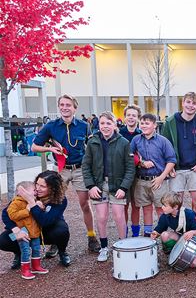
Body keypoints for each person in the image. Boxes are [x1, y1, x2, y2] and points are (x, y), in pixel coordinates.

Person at [31, 94, 97, 255]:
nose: (65, 107)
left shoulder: (83, 125)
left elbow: (92, 146)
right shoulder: (50, 126)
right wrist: (50, 149)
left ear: (75, 108)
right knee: (54, 203)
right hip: (60, 169)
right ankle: (55, 240)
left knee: (84, 203)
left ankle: (91, 237)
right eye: (62, 104)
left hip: (80, 169)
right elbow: (34, 147)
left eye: (68, 105)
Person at [82, 111, 135, 262]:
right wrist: (90, 185)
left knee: (119, 216)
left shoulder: (123, 142)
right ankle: (104, 247)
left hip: (117, 184)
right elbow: (86, 166)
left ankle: (123, 245)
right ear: (99, 125)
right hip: (99, 184)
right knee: (102, 216)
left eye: (108, 123)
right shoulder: (92, 142)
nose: (105, 126)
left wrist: (124, 187)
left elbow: (130, 168)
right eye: (102, 123)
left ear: (115, 125)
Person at [0, 170, 71, 268]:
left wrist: (32, 204)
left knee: (61, 231)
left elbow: (45, 221)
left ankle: (62, 251)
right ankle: (19, 252)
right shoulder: (30, 192)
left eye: (43, 186)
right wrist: (15, 229)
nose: (37, 189)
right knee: (4, 240)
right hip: (27, 230)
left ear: (53, 188)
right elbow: (6, 213)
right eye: (37, 184)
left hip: (47, 231)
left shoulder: (60, 199)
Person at [162, 92, 196, 222]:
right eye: (188, 102)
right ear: (183, 103)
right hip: (176, 169)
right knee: (176, 203)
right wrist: (169, 166)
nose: (190, 105)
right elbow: (164, 145)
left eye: (194, 103)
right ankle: (177, 231)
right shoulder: (170, 122)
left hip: (195, 168)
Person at [130, 113, 177, 237]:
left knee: (161, 209)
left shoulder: (163, 141)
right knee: (146, 208)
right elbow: (130, 156)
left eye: (147, 123)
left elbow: (171, 160)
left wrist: (162, 177)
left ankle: (163, 235)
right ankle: (148, 234)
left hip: (158, 179)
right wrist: (141, 162)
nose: (144, 125)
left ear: (155, 125)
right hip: (141, 180)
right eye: (142, 123)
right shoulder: (136, 140)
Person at [151, 193, 196, 266]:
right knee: (164, 235)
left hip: (193, 239)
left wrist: (192, 232)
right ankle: (173, 252)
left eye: (165, 205)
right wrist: (155, 233)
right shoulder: (165, 216)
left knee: (194, 264)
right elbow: (159, 230)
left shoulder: (189, 214)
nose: (162, 207)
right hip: (180, 237)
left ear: (175, 207)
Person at [7, 181, 49, 279]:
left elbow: (40, 216)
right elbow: (12, 215)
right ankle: (25, 269)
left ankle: (36, 266)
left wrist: (41, 208)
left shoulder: (34, 201)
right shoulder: (16, 203)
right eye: (33, 190)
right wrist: (27, 210)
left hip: (34, 230)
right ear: (23, 192)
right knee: (25, 250)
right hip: (23, 231)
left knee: (36, 249)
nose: (36, 192)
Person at [119, 104, 143, 237]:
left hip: (138, 173)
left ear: (138, 118)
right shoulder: (118, 133)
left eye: (134, 115)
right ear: (125, 117)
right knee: (124, 205)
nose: (131, 118)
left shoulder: (142, 134)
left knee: (136, 204)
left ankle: (135, 233)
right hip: (122, 174)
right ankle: (124, 233)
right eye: (129, 115)